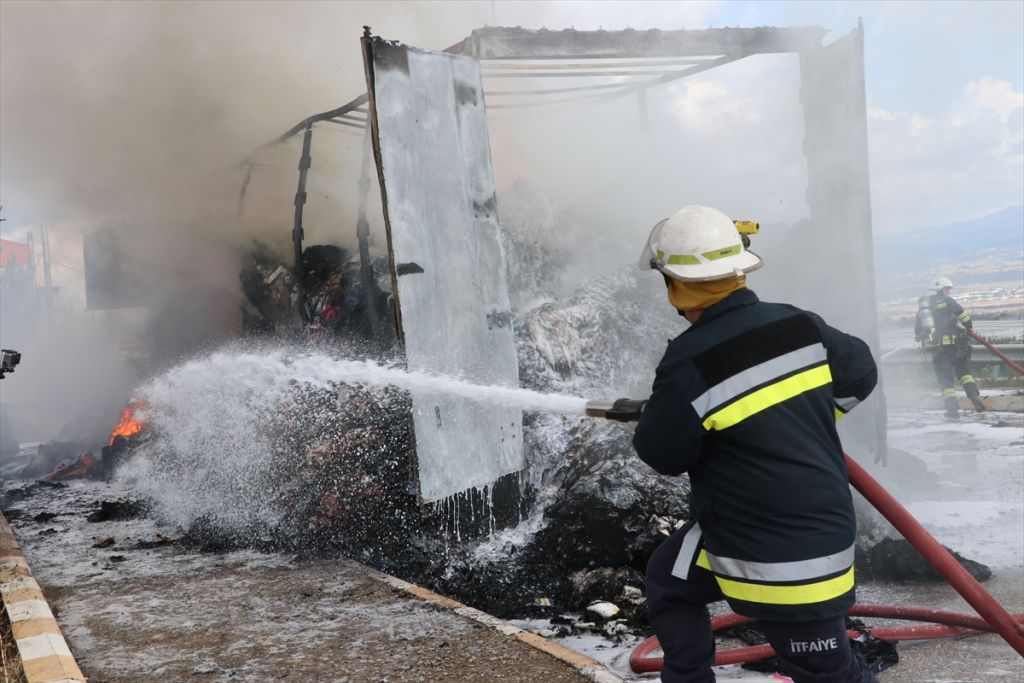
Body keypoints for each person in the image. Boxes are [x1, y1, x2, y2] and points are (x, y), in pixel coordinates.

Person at [632, 206, 879, 683]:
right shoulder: (799, 324)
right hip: (773, 522)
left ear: (675, 285)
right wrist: (806, 421)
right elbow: (861, 371)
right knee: (670, 578)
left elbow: (663, 455)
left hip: (788, 555)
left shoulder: (689, 361)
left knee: (826, 673)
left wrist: (670, 416)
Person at [914, 276, 985, 418]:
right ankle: (975, 398)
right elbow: (962, 313)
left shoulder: (925, 307)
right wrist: (968, 327)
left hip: (938, 349)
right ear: (940, 289)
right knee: (964, 374)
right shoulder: (947, 301)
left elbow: (918, 327)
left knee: (945, 379)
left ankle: (952, 409)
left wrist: (919, 336)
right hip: (956, 347)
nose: (948, 292)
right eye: (947, 289)